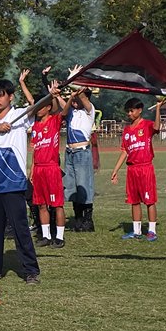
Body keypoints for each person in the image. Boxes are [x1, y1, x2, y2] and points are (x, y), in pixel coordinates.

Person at [0, 79, 41, 285]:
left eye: (1, 95)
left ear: (10, 97)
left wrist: (53, 94)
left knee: (20, 229)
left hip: (14, 183)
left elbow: (41, 106)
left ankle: (30, 270)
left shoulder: (20, 115)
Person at [19, 70, 67, 248]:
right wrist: (32, 170)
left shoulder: (54, 120)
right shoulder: (35, 126)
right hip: (38, 169)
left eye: (41, 106)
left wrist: (57, 95)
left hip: (51, 168)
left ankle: (59, 237)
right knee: (41, 204)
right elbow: (35, 151)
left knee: (57, 205)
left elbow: (65, 109)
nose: (37, 109)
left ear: (48, 107)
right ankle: (45, 236)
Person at [112, 97, 165, 241]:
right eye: (128, 111)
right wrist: (116, 170)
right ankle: (136, 231)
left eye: (131, 110)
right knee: (134, 201)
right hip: (132, 170)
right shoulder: (127, 130)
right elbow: (125, 151)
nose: (129, 114)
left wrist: (158, 108)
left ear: (140, 110)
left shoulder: (147, 125)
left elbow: (157, 128)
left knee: (149, 200)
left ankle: (152, 231)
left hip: (145, 168)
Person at [63, 65, 97, 231]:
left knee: (84, 185)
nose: (75, 101)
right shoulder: (71, 111)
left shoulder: (89, 111)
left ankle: (88, 220)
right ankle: (78, 218)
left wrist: (75, 81)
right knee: (72, 187)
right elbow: (59, 101)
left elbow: (82, 96)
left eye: (77, 98)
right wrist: (68, 81)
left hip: (81, 153)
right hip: (69, 152)